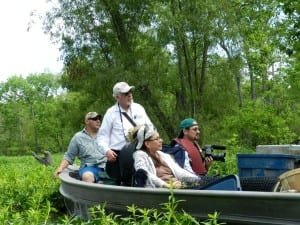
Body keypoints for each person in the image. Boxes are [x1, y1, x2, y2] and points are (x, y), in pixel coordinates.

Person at [96, 81, 153, 183]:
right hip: (119, 156)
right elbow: (102, 137)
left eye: (130, 92)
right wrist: (107, 151)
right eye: (126, 93)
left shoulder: (139, 108)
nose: (130, 95)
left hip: (140, 151)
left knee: (144, 180)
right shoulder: (111, 113)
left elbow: (150, 127)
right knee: (123, 183)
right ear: (117, 97)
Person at [133, 125, 200, 188]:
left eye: (160, 138)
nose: (161, 140)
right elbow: (146, 174)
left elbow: (179, 172)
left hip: (177, 186)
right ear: (147, 144)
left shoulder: (163, 155)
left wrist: (197, 179)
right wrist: (167, 186)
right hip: (162, 191)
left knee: (208, 184)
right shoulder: (139, 155)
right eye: (157, 139)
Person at [54, 112, 107, 183]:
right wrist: (60, 168)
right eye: (95, 119)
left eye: (99, 119)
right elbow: (69, 157)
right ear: (87, 121)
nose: (98, 121)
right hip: (89, 168)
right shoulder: (78, 137)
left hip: (107, 166)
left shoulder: (106, 135)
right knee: (87, 176)